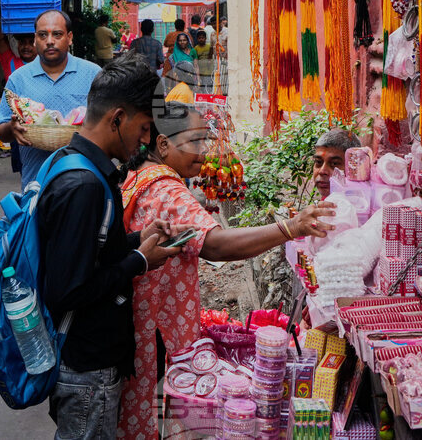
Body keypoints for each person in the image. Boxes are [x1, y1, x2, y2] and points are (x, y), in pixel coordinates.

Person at [117, 102, 334, 439]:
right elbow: (215, 244)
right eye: (195, 142)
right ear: (162, 145)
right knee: (152, 416)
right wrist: (289, 228)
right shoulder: (167, 190)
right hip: (155, 332)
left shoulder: (138, 177)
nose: (204, 153)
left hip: (133, 324)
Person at [40, 53, 182, 439]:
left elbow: (91, 250)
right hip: (86, 365)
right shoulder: (84, 186)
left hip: (86, 359)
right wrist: (138, 260)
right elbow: (69, 288)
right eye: (143, 126)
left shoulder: (70, 161)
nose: (146, 139)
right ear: (117, 118)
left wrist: (138, 238)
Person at [0, 10, 101, 189]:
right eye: (43, 35)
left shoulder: (93, 74)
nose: (50, 41)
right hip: (36, 183)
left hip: (86, 182)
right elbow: (1, 131)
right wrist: (12, 129)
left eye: (57, 34)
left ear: (69, 37)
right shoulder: (18, 78)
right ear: (36, 39)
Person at [0, 0, 37, 172]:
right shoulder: (11, 63)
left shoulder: (46, 63)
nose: (26, 46)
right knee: (24, 168)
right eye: (21, 42)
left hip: (40, 124)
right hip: (18, 124)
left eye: (30, 42)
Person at [313, 129, 362, 199]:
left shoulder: (362, 205)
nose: (322, 171)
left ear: (355, 169)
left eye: (334, 163)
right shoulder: (329, 199)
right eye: (318, 162)